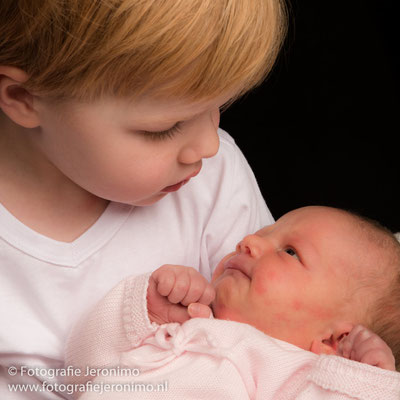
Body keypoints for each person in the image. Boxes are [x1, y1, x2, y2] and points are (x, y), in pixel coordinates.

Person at [0, 0, 287, 398]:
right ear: (22, 97)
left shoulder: (214, 184)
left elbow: (284, 347)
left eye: (216, 107)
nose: (207, 146)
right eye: (164, 128)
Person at [65, 206, 400, 399]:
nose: (249, 241)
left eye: (290, 252)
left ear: (334, 340)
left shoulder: (295, 376)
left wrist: (366, 382)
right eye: (263, 232)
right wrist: (146, 309)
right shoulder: (182, 324)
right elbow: (80, 370)